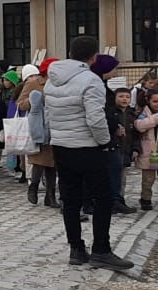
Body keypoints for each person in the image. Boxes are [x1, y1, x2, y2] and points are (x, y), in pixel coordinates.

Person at [44, 37, 134, 272]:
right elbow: (95, 118)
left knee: (71, 199)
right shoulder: (90, 80)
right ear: (93, 57)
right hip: (87, 146)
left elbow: (48, 114)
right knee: (102, 198)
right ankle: (101, 249)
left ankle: (76, 248)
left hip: (61, 145)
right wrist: (105, 141)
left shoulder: (52, 80)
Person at [94, 56, 137, 216]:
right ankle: (112, 201)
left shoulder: (103, 86)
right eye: (113, 68)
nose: (116, 72)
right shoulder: (98, 87)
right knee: (111, 170)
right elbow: (102, 113)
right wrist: (114, 127)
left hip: (112, 136)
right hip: (107, 136)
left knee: (116, 169)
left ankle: (115, 200)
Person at [17, 63, 58, 208]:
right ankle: (33, 187)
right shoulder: (34, 83)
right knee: (40, 162)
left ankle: (50, 196)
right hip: (39, 128)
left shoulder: (60, 83)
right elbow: (20, 104)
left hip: (56, 127)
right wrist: (33, 102)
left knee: (53, 165)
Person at [134, 90, 158, 211]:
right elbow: (139, 126)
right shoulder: (144, 112)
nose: (157, 104)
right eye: (155, 101)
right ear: (148, 100)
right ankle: (145, 198)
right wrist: (155, 118)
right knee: (148, 178)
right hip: (150, 152)